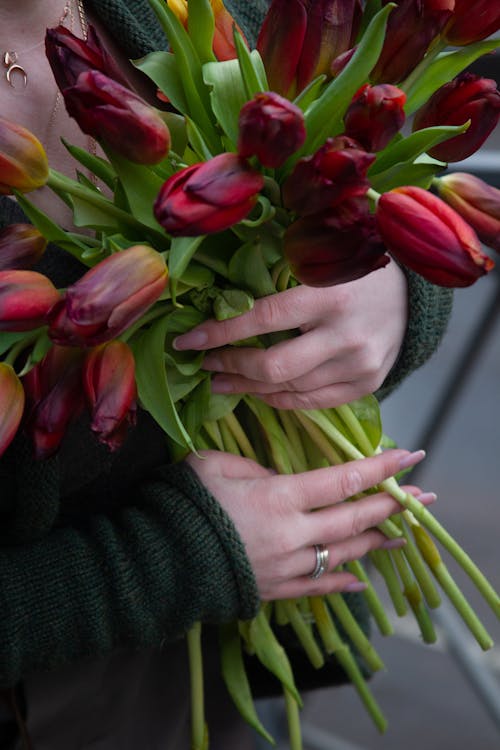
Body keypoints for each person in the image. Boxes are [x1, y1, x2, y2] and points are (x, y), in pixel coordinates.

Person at [0, 1, 451, 748]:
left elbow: (365, 130)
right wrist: (173, 561)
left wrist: (393, 275)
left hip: (227, 668)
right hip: (63, 703)